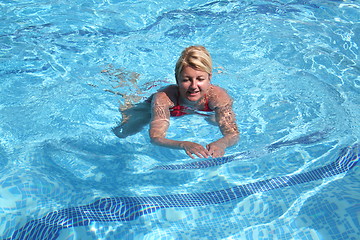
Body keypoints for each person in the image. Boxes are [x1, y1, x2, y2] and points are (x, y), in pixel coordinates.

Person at [113, 46, 239, 158]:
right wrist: (183, 144)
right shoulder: (164, 98)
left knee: (215, 120)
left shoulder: (218, 97)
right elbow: (156, 137)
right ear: (177, 79)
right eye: (186, 80)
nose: (194, 86)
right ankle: (126, 81)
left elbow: (233, 134)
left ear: (209, 78)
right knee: (124, 132)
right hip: (150, 105)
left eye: (200, 79)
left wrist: (221, 144)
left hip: (200, 108)